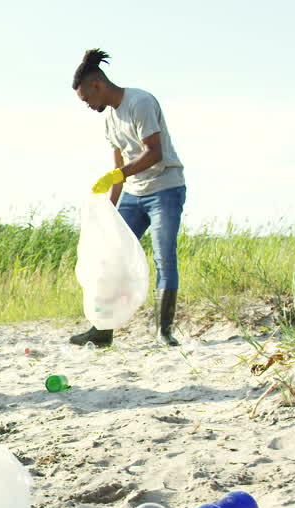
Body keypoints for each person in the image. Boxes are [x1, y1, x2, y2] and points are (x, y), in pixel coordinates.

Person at [70, 48, 187, 348]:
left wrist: (120, 176)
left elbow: (155, 153)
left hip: (165, 190)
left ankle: (163, 332)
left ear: (97, 85)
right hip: (134, 194)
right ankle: (101, 331)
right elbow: (117, 168)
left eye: (86, 99)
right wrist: (108, 207)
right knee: (111, 259)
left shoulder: (140, 103)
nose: (87, 106)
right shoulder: (109, 119)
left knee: (164, 257)